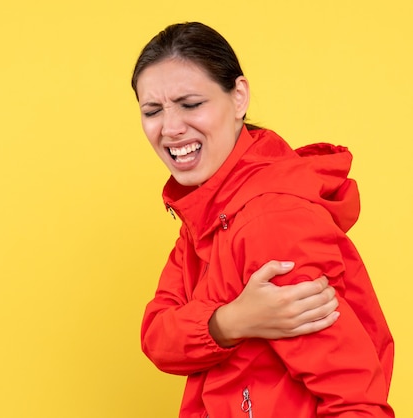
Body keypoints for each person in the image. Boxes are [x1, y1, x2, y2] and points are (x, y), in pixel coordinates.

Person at [131, 22, 394, 417]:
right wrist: (229, 322)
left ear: (238, 97)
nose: (170, 128)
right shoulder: (205, 216)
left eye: (190, 104)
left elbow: (355, 400)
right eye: (152, 111)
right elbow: (157, 337)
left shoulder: (271, 221)